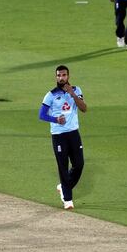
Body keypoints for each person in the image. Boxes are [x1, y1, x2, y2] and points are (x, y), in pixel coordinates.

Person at [38, 65, 87, 210]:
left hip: (73, 133)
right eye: (59, 75)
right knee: (63, 167)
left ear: (68, 76)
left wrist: (72, 94)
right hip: (59, 135)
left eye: (64, 75)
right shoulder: (51, 95)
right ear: (56, 77)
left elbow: (84, 108)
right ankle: (68, 199)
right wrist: (55, 120)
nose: (61, 78)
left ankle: (64, 187)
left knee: (79, 164)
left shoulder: (77, 90)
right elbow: (42, 115)